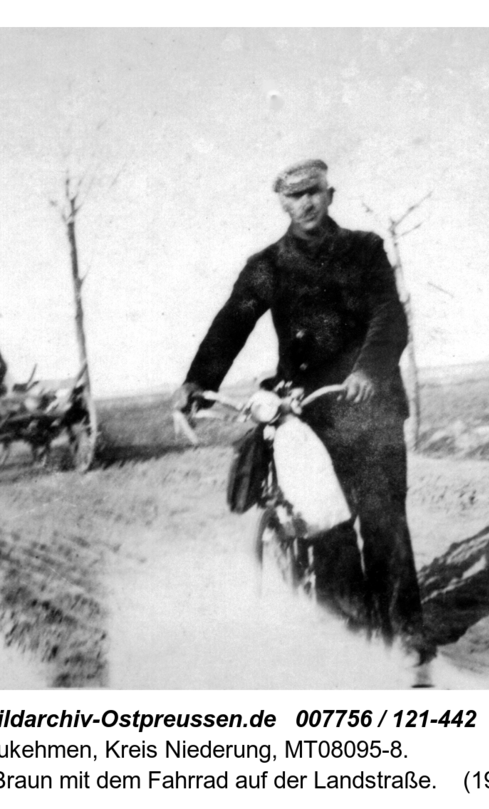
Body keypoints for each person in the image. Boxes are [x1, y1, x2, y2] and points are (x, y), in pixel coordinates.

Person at [173, 159, 430, 660]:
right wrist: (197, 381)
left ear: (329, 194)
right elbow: (232, 323)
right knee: (323, 524)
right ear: (282, 204)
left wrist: (368, 371)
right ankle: (350, 635)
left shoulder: (365, 249)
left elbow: (389, 317)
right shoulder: (267, 265)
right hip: (307, 413)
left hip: (368, 405)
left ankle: (404, 630)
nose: (306, 203)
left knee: (383, 519)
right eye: (295, 197)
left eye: (314, 192)